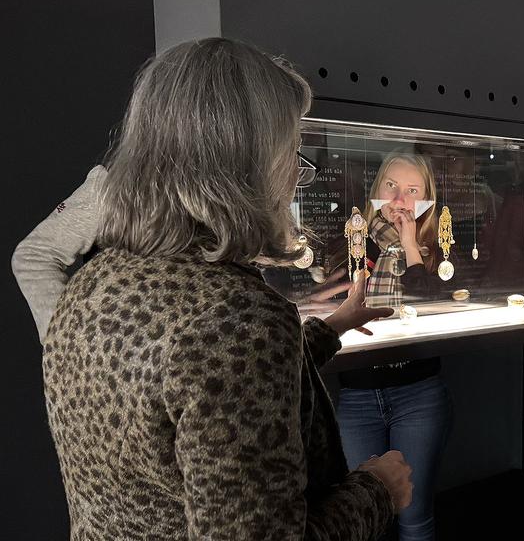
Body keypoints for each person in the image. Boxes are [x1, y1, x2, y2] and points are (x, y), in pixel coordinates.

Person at [12, 37, 413, 539]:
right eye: (291, 151)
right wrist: (377, 490)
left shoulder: (91, 285)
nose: (296, 174)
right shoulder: (236, 319)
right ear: (249, 166)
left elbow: (196, 390)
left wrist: (327, 329)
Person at [332, 150, 453, 541]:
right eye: (392, 187)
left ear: (426, 199)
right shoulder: (353, 241)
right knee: (361, 516)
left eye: (412, 190)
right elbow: (329, 298)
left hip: (418, 392)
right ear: (377, 190)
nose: (400, 200)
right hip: (358, 395)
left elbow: (430, 305)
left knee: (414, 515)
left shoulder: (439, 248)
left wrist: (409, 243)